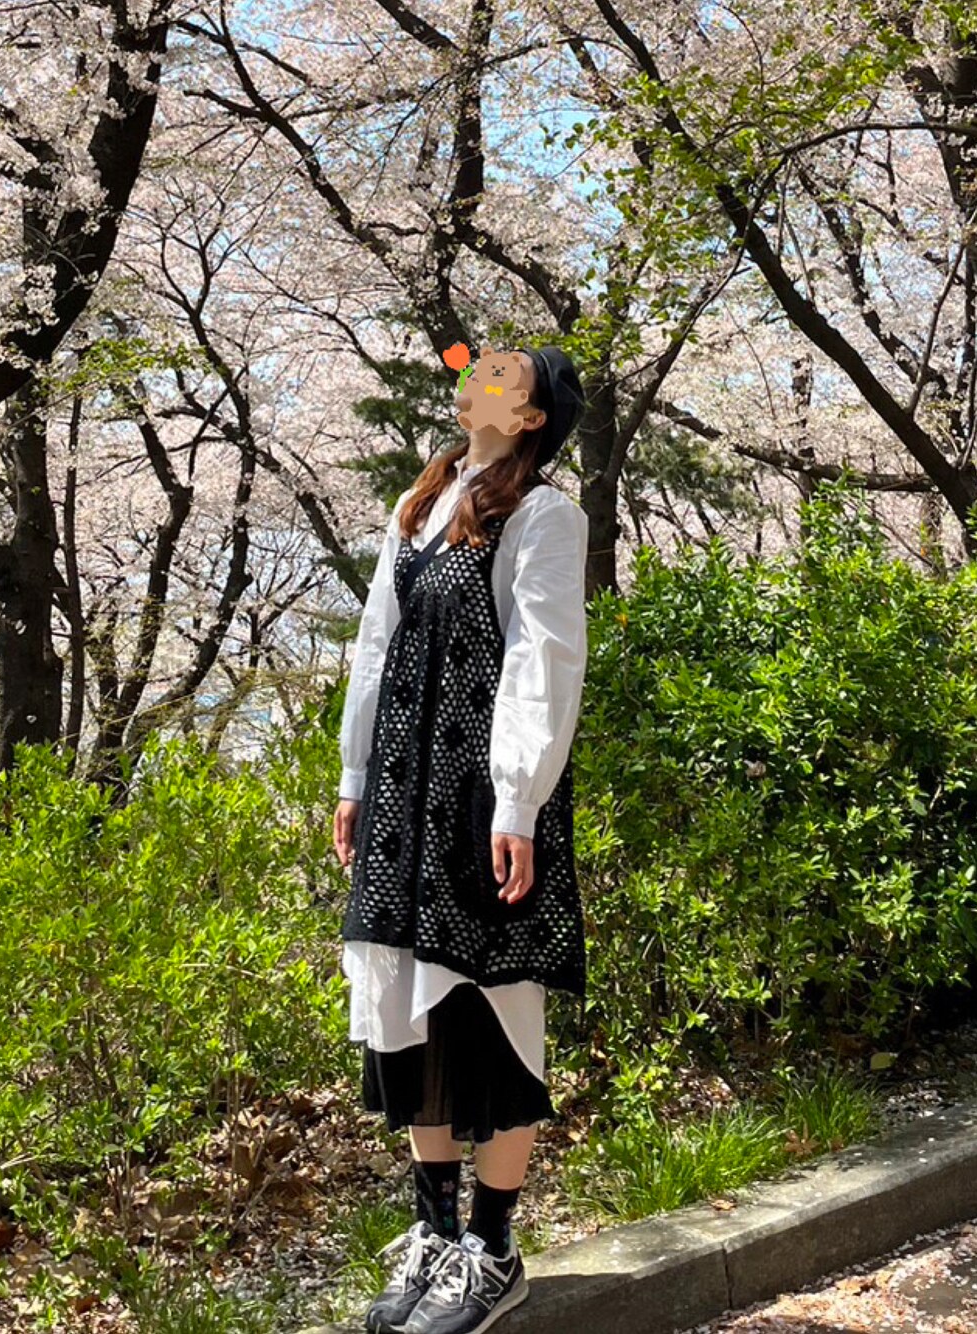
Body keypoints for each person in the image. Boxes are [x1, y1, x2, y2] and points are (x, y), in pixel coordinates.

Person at [332, 345, 589, 1334]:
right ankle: (436, 1237)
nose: (477, 374)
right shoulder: (420, 502)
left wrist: (516, 802)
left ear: (531, 417)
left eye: (502, 375)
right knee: (408, 1005)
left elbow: (543, 660)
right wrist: (355, 776)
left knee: (493, 1008)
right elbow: (375, 646)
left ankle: (492, 1249)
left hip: (484, 798)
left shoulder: (545, 515)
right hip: (404, 792)